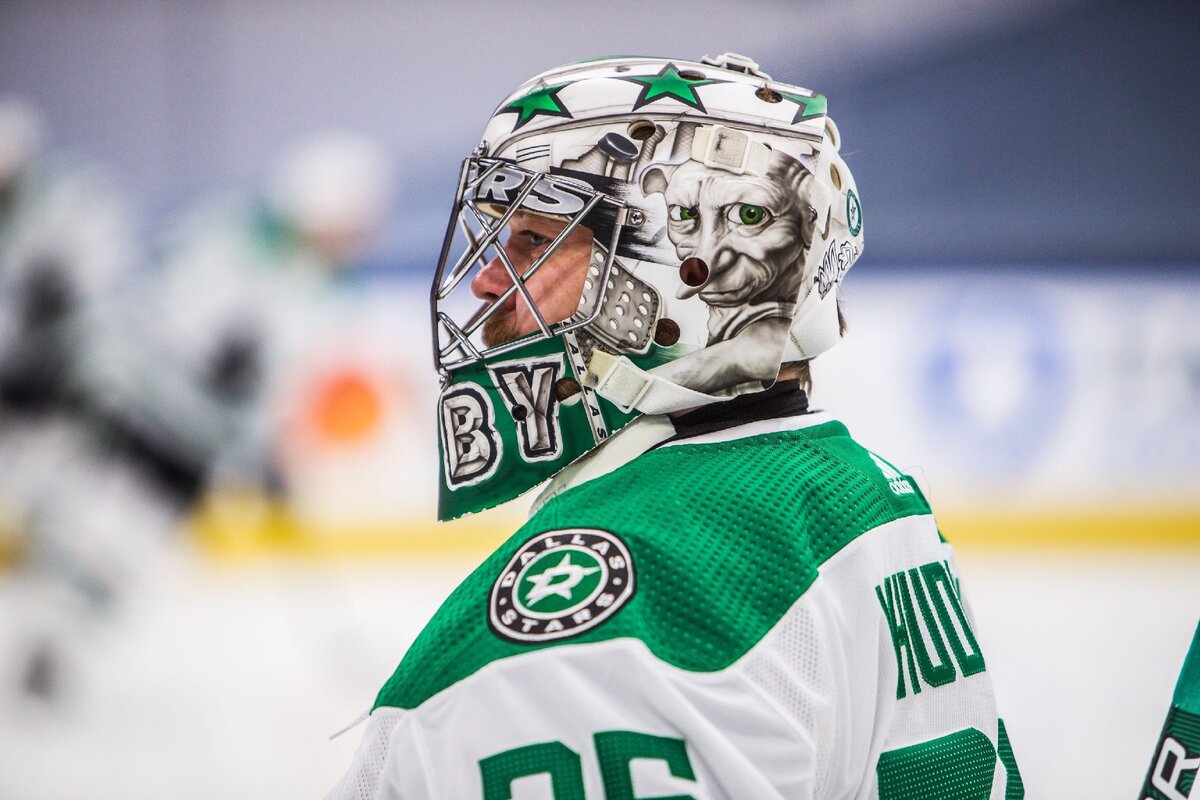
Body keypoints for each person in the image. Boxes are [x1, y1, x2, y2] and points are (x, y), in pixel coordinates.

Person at [327, 53, 1022, 798]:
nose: (487, 280)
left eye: (533, 241)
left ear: (690, 274)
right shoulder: (868, 498)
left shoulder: (593, 631)